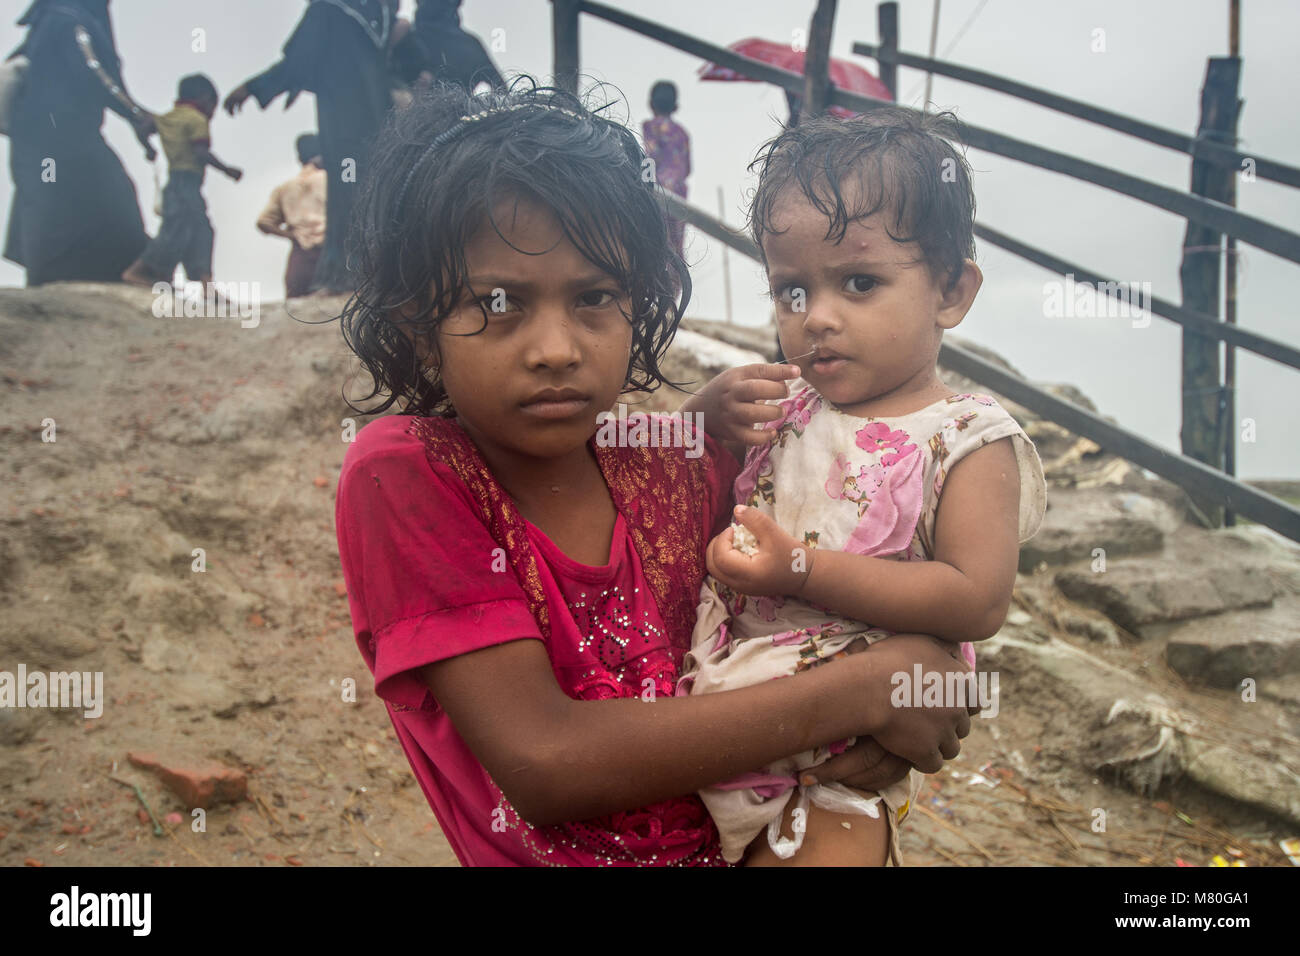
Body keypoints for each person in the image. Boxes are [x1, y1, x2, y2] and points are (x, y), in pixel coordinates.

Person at [332, 81, 978, 867]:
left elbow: (872, 606)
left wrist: (924, 691)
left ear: (642, 300)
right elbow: (545, 761)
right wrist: (865, 694)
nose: (556, 348)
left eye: (595, 297)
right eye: (498, 304)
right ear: (419, 328)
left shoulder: (683, 466)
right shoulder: (410, 473)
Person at [678, 106, 1047, 866]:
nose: (817, 318)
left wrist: (801, 569)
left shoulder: (969, 439)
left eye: (858, 281)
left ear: (951, 291)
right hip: (715, 717)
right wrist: (698, 418)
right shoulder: (784, 406)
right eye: (791, 292)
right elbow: (662, 489)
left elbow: (976, 599)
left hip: (840, 764)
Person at [224, 0, 399, 294]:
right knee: (375, 195)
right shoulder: (379, 15)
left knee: (346, 194)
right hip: (380, 125)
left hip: (344, 126)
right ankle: (379, 277)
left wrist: (253, 87)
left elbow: (298, 62)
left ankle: (343, 278)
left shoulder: (329, 9)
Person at [4, 0, 154, 286]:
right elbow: (94, 69)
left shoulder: (50, 21)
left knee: (52, 204)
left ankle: (54, 282)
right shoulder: (69, 20)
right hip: (62, 135)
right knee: (110, 197)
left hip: (40, 137)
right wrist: (134, 113)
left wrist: (134, 116)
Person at [121, 75, 242, 288]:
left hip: (175, 183)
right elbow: (200, 151)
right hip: (187, 182)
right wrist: (227, 170)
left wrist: (149, 149)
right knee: (176, 232)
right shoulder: (197, 119)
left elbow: (143, 127)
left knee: (198, 229)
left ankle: (206, 283)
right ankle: (139, 272)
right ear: (205, 99)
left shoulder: (168, 117)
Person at [256, 133, 327, 299]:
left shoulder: (286, 187)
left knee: (296, 311)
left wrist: (292, 235)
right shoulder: (331, 181)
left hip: (300, 257)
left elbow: (263, 222)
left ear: (299, 158)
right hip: (329, 255)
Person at [391, 0, 505, 94]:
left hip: (422, 118)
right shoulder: (471, 44)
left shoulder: (407, 39)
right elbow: (501, 89)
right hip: (415, 116)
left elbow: (500, 88)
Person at [641, 80, 690, 261]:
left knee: (657, 241)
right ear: (676, 106)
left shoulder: (650, 127)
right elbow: (687, 169)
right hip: (678, 191)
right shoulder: (682, 133)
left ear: (651, 104)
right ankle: (676, 285)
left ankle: (659, 286)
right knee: (676, 245)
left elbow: (650, 156)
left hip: (657, 189)